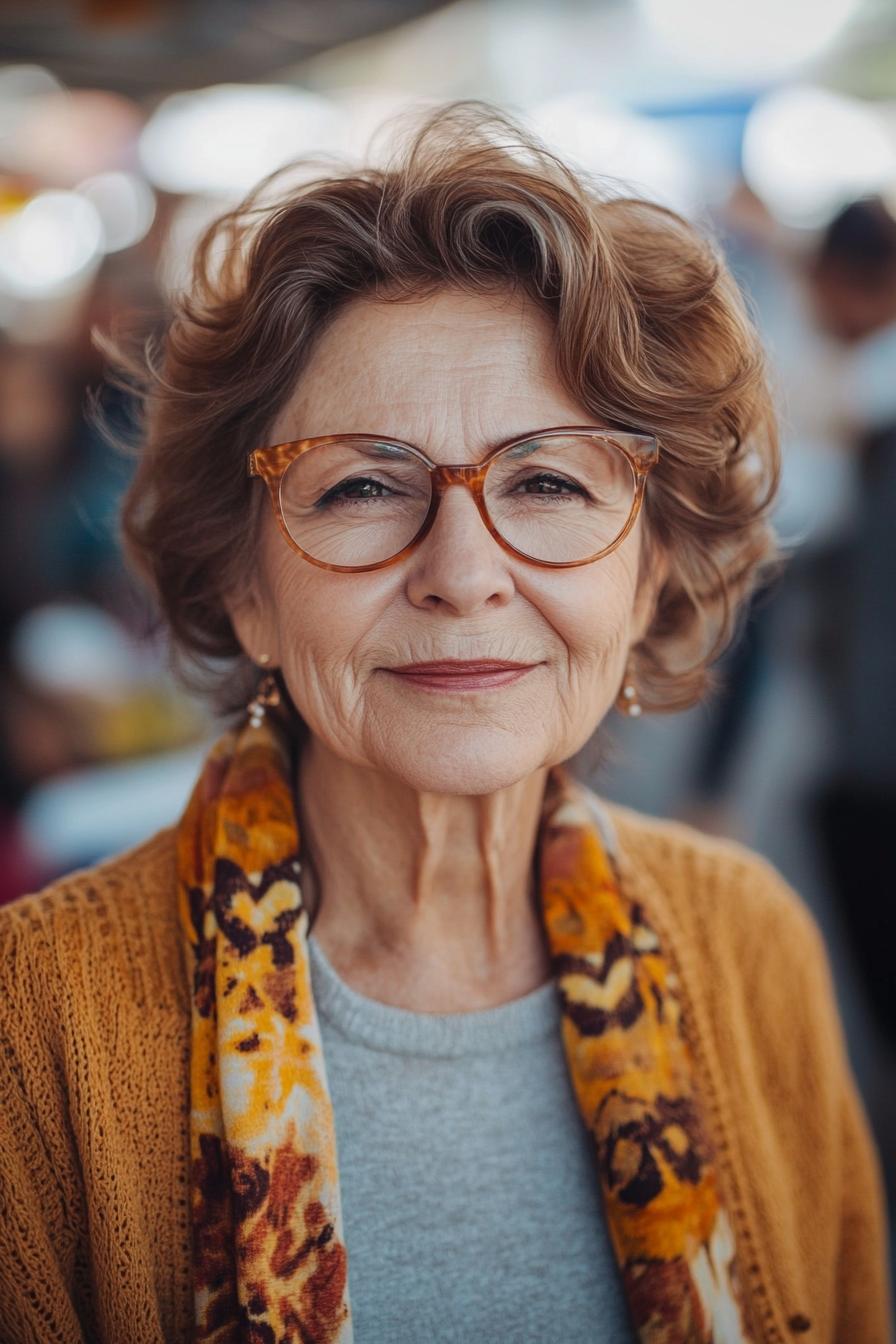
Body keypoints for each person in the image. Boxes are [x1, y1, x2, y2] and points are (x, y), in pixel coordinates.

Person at [0, 102, 890, 1344]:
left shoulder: (751, 946)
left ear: (644, 577)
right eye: (364, 484)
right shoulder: (31, 1028)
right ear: (242, 584)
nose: (462, 571)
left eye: (547, 480)